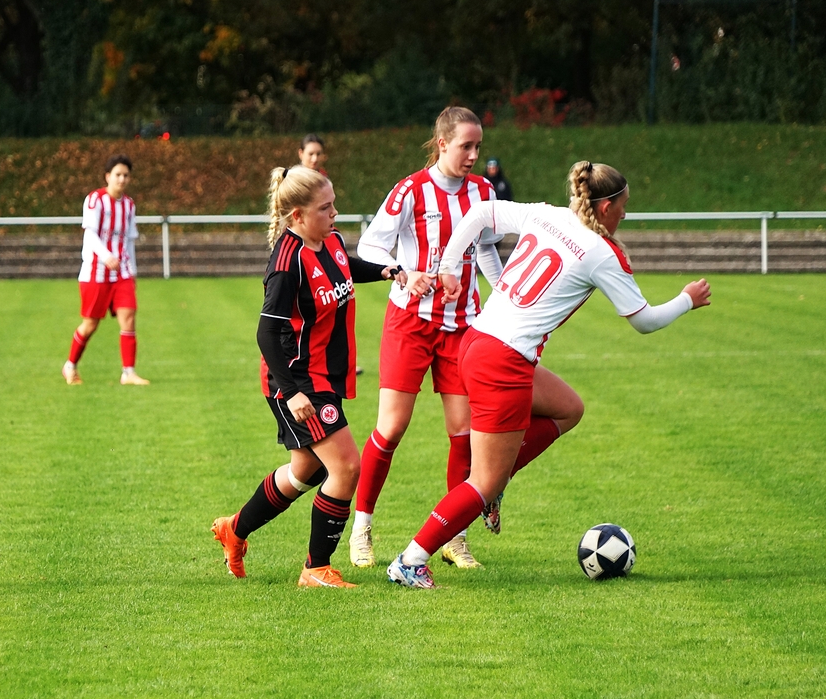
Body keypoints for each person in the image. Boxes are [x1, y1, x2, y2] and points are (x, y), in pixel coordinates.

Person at [386, 162, 712, 588]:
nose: (626, 213)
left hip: (477, 341)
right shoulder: (603, 253)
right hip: (503, 362)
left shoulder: (547, 214)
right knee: (481, 481)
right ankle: (410, 561)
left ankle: (496, 483)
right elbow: (644, 321)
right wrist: (687, 299)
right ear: (607, 207)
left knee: (568, 408)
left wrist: (449, 265)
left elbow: (479, 214)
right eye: (624, 205)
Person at [211, 165, 403, 588]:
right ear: (297, 215)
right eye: (325, 208)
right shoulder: (287, 262)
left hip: (324, 376)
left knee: (307, 470)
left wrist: (386, 271)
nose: (334, 214)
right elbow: (266, 333)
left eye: (334, 205)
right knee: (346, 467)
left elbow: (344, 267)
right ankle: (316, 568)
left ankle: (234, 529)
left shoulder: (328, 240)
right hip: (299, 381)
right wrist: (292, 392)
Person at [348, 106, 504, 570]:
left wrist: (505, 298)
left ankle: (455, 536)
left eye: (478, 147)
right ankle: (361, 527)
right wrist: (403, 271)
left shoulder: (483, 192)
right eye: (465, 146)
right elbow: (369, 245)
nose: (473, 155)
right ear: (442, 144)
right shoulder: (411, 190)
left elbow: (487, 252)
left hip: (463, 327)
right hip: (411, 323)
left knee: (463, 433)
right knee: (392, 427)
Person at [62, 154, 149, 386]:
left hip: (122, 273)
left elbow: (129, 240)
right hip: (95, 271)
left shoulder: (129, 205)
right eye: (118, 175)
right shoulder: (95, 200)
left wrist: (133, 271)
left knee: (128, 318)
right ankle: (70, 365)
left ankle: (128, 372)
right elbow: (90, 234)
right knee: (90, 324)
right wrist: (106, 256)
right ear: (107, 176)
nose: (122, 179)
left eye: (126, 175)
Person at [296, 133, 364, 376]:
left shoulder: (324, 179)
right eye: (310, 153)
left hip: (324, 244)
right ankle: (303, 364)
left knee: (339, 302)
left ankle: (340, 359)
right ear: (300, 154)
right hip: (307, 253)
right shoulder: (293, 182)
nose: (314, 158)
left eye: (318, 154)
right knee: (312, 309)